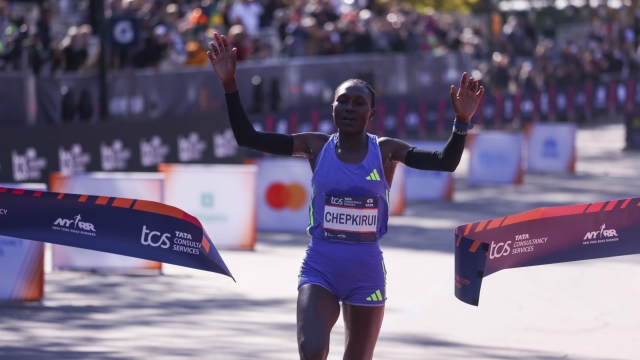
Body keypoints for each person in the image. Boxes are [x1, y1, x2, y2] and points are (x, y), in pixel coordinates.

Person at [207, 32, 484, 360]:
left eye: (359, 103)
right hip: (320, 266)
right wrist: (229, 84)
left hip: (365, 271)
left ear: (372, 113)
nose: (350, 108)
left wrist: (462, 122)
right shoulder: (315, 146)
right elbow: (247, 137)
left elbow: (445, 162)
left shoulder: (385, 151)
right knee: (312, 351)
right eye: (343, 101)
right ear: (333, 107)